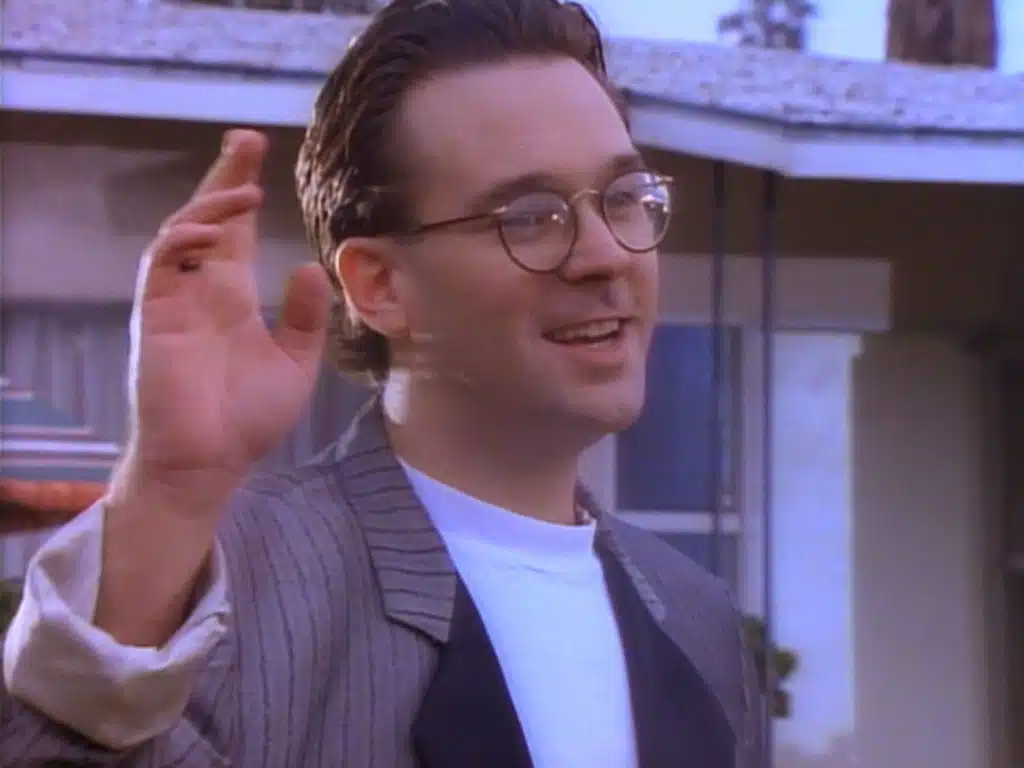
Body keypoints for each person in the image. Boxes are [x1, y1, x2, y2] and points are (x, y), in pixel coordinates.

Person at [0, 0, 766, 766]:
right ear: (379, 286)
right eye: (531, 217)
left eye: (625, 199)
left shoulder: (695, 616)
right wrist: (167, 495)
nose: (606, 256)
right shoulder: (225, 586)